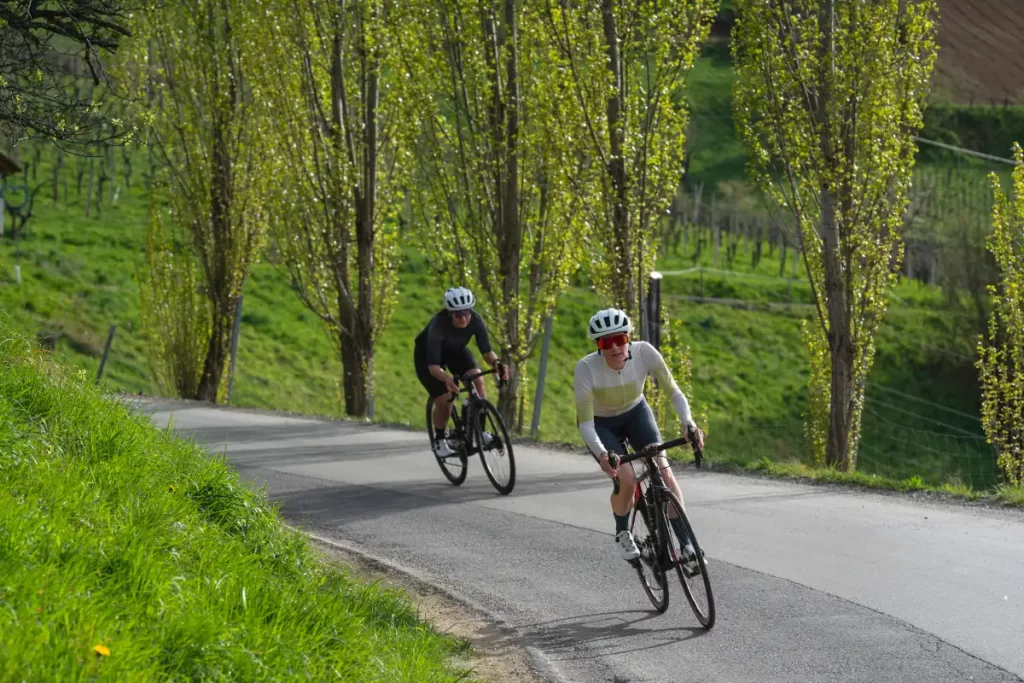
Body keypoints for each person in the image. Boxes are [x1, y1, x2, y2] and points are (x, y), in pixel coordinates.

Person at [573, 307, 706, 569]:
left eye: (619, 339)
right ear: (598, 346)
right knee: (627, 477)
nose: (614, 348)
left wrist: (688, 423)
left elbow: (674, 392)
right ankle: (623, 532)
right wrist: (603, 454)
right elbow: (586, 424)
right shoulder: (586, 369)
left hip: (636, 412)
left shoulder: (645, 352)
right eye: (606, 343)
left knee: (664, 470)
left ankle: (687, 545)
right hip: (601, 424)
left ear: (629, 338)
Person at [415, 286, 509, 457]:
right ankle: (440, 440)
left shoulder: (476, 321)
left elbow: (487, 352)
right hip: (428, 357)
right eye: (458, 315)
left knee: (477, 380)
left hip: (454, 350)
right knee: (445, 399)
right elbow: (434, 367)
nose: (464, 318)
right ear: (450, 313)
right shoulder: (438, 326)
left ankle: (478, 430)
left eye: (467, 312)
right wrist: (447, 378)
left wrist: (497, 363)